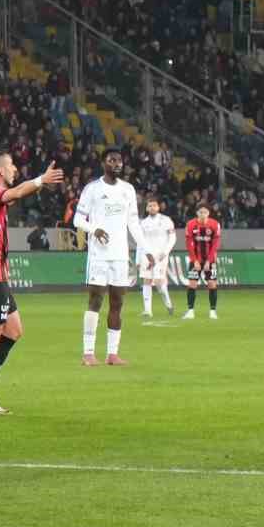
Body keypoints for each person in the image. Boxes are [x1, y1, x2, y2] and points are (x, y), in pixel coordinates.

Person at [0, 150, 64, 415]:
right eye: (11, 165)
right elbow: (16, 193)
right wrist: (41, 180)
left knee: (14, 330)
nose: (14, 169)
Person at [74, 149, 144, 366]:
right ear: (103, 163)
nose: (117, 163)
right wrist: (94, 229)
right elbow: (78, 220)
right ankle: (88, 352)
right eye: (112, 160)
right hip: (99, 255)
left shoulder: (128, 190)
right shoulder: (92, 189)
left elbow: (133, 223)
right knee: (95, 300)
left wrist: (146, 249)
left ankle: (112, 354)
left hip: (120, 255)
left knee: (118, 303)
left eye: (119, 160)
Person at [138, 196, 176, 317]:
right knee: (147, 280)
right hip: (147, 256)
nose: (152, 208)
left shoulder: (166, 220)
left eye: (154, 205)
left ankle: (168, 303)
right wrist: (138, 258)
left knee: (159, 282)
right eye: (150, 206)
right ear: (147, 208)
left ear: (158, 207)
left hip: (160, 255)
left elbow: (172, 238)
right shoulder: (143, 223)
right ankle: (148, 310)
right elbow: (140, 242)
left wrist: (165, 252)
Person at [183, 204, 221, 319]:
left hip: (210, 260)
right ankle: (190, 311)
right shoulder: (190, 224)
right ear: (197, 213)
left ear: (208, 213)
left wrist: (209, 261)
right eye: (200, 212)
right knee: (192, 284)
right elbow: (189, 244)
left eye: (205, 212)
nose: (203, 214)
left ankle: (213, 311)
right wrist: (194, 261)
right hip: (196, 259)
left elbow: (215, 244)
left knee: (212, 284)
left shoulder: (215, 224)